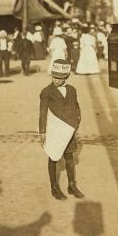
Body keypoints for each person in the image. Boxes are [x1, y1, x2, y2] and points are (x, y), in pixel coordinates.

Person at [39, 59, 84, 201]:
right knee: (53, 156)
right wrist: (42, 132)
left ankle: (72, 185)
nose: (56, 80)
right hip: (54, 130)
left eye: (60, 78)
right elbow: (42, 113)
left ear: (66, 77)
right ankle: (54, 187)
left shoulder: (72, 90)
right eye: (54, 77)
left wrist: (76, 124)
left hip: (69, 130)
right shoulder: (46, 92)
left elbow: (76, 108)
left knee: (69, 157)